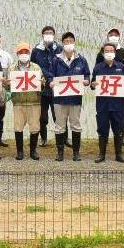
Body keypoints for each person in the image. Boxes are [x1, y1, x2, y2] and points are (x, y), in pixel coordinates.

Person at [48, 32, 90, 162]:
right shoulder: (56, 60)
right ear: (62, 43)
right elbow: (50, 74)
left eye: (71, 41)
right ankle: (60, 152)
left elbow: (87, 75)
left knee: (76, 125)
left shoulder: (81, 59)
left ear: (74, 42)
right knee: (60, 126)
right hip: (59, 100)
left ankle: (76, 153)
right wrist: (51, 82)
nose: (68, 44)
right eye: (66, 41)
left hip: (75, 99)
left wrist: (86, 81)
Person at [90, 42, 124, 163]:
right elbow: (92, 85)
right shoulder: (98, 68)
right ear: (102, 53)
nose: (109, 53)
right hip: (103, 105)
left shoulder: (121, 66)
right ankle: (101, 154)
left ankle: (119, 154)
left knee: (119, 129)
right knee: (102, 130)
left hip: (118, 105)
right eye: (107, 51)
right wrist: (93, 84)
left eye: (111, 51)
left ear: (115, 53)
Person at [7, 43, 43, 161]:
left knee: (35, 127)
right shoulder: (12, 68)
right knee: (18, 127)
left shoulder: (36, 67)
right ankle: (20, 151)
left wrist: (43, 83)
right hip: (19, 102)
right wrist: (6, 84)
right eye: (21, 53)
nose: (24, 55)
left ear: (29, 53)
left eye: (26, 52)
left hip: (34, 101)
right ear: (17, 54)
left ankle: (33, 151)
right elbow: (8, 88)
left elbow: (42, 83)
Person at [31, 26, 60, 148]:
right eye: (46, 33)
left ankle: (63, 138)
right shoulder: (36, 50)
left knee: (58, 115)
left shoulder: (59, 49)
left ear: (54, 35)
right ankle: (43, 138)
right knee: (42, 116)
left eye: (51, 33)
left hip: (56, 87)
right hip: (42, 88)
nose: (48, 35)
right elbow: (32, 67)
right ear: (42, 35)